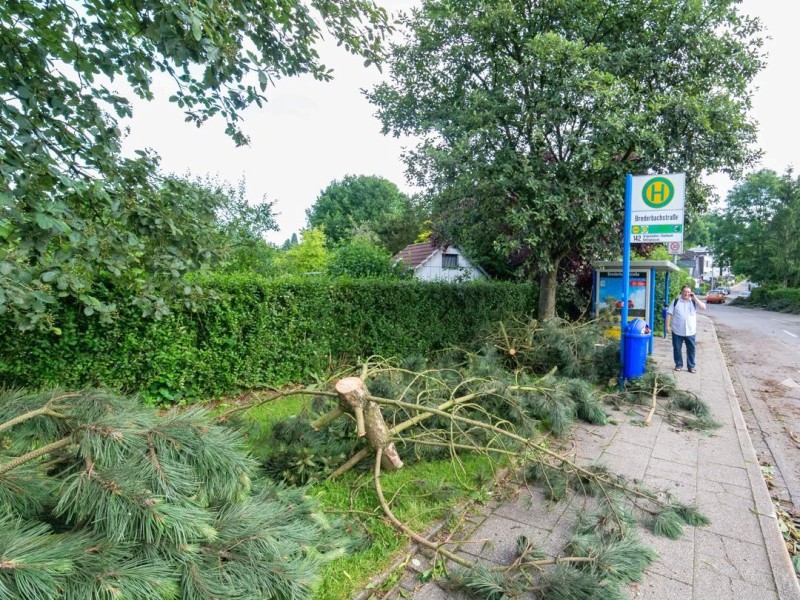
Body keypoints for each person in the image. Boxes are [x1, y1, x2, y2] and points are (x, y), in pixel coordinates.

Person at [665, 285, 706, 373]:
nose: (686, 293)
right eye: (684, 291)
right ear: (681, 292)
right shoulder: (676, 301)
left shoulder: (693, 302)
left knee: (691, 349)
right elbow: (669, 314)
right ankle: (678, 364)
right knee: (677, 348)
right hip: (677, 330)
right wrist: (667, 326)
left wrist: (695, 297)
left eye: (688, 292)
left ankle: (691, 366)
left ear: (690, 293)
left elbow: (703, 307)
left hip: (690, 331)